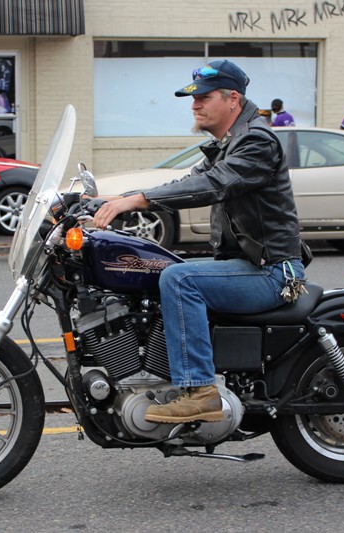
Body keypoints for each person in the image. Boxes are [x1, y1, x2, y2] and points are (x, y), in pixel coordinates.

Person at [93, 60, 304, 424]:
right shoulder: (228, 145)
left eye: (203, 98)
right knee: (161, 269)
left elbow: (212, 185)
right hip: (246, 266)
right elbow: (182, 183)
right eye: (194, 99)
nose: (194, 105)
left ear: (233, 99)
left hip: (273, 274)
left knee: (179, 279)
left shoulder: (256, 142)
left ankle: (201, 391)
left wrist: (137, 200)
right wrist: (107, 202)